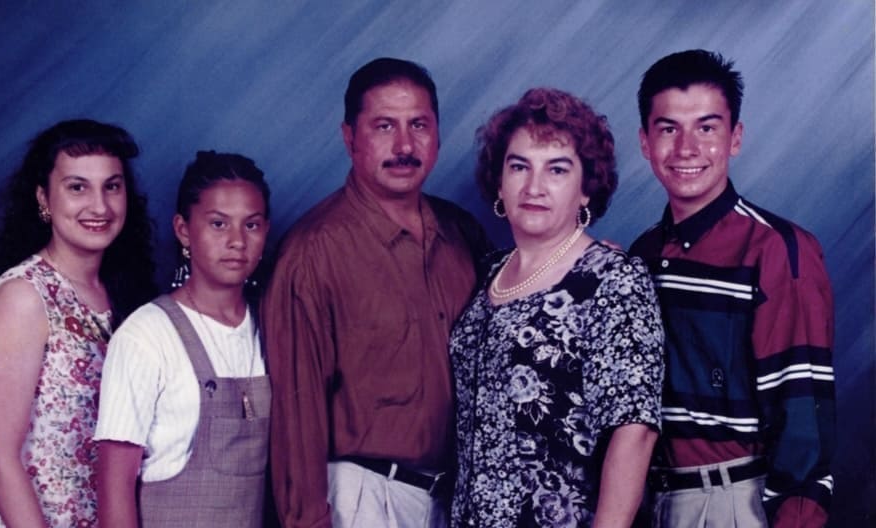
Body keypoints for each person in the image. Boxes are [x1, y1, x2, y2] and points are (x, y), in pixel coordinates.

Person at [262, 57, 491, 528]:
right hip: (364, 498)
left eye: (419, 125)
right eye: (384, 126)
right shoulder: (313, 252)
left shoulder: (462, 233)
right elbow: (295, 419)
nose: (404, 145)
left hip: (454, 497)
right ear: (350, 137)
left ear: (438, 134)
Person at [629, 49, 836, 527]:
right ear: (644, 141)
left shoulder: (776, 250)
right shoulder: (640, 256)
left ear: (735, 137)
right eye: (668, 129)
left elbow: (803, 419)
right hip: (649, 502)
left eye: (706, 127)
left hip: (734, 501)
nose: (686, 149)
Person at [449, 88, 664, 527]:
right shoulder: (485, 272)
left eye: (557, 170)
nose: (534, 187)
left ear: (586, 189)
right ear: (499, 183)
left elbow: (634, 430)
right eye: (519, 166)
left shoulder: (613, 280)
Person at [0, 119, 157, 527]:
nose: (100, 206)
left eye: (112, 186)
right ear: (43, 198)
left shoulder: (124, 295)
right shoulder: (23, 296)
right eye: (77, 187)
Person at [95, 151, 272, 527]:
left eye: (251, 225)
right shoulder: (146, 336)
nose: (237, 241)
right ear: (183, 229)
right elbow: (114, 487)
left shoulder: (272, 328)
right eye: (219, 224)